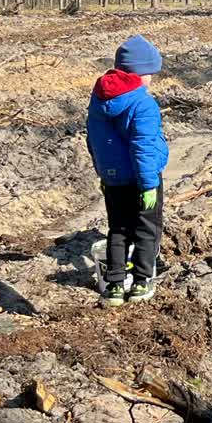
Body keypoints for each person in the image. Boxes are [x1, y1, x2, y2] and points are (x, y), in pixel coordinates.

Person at [86, 35, 169, 308]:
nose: (151, 79)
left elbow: (94, 140)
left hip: (113, 179)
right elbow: (143, 147)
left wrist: (103, 172)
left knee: (118, 229)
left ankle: (114, 286)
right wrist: (148, 185)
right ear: (139, 73)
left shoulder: (99, 98)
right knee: (147, 228)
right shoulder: (143, 103)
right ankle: (142, 281)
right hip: (141, 179)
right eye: (150, 73)